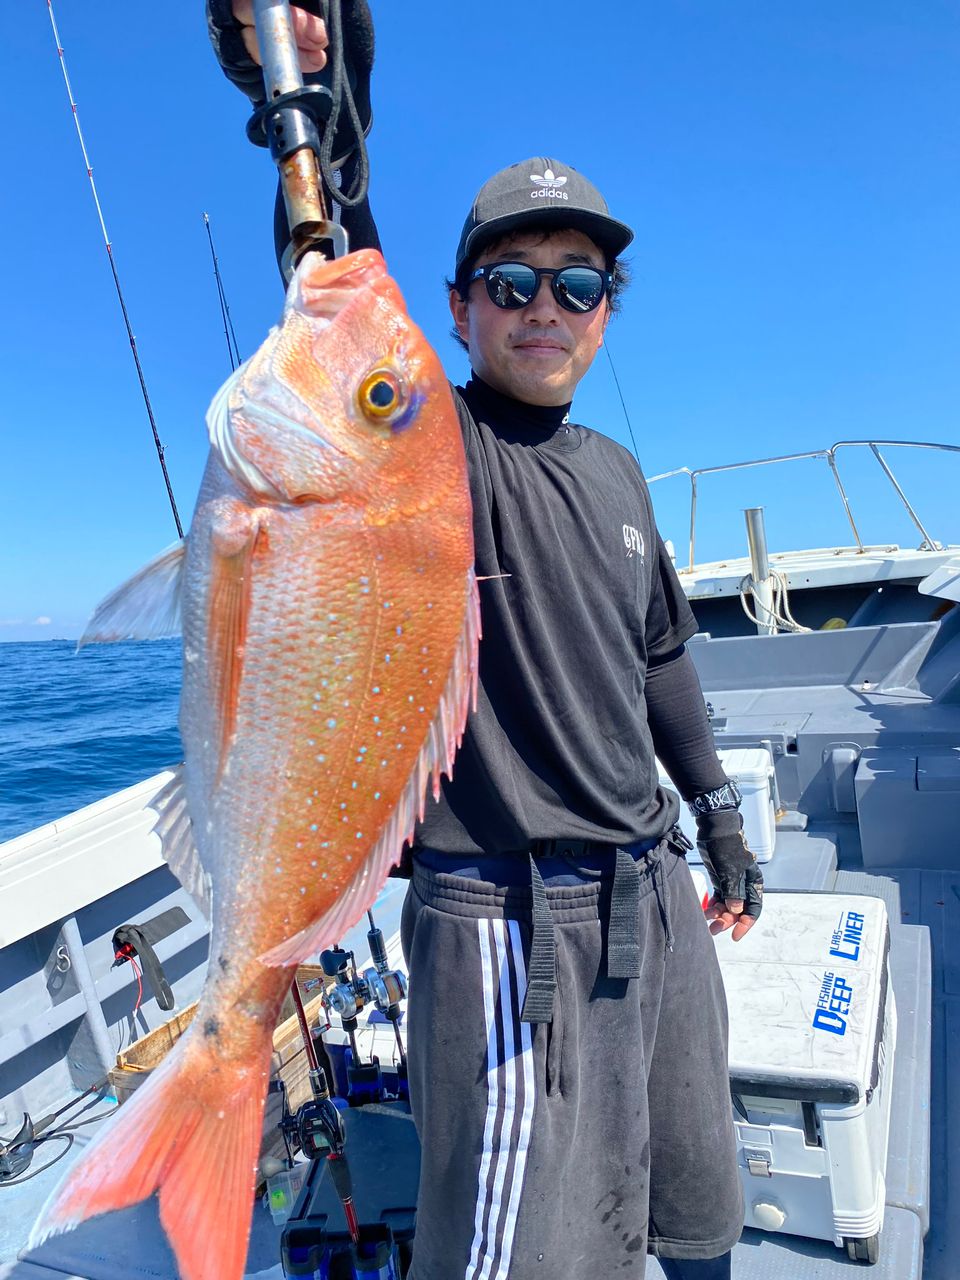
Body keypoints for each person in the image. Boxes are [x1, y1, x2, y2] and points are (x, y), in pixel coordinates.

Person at [208, 6, 764, 1278]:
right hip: (510, 925)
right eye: (511, 284)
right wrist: (314, 78)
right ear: (458, 310)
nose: (545, 309)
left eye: (579, 284)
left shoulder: (617, 472)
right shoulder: (427, 453)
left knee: (689, 1193)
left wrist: (718, 818)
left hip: (653, 889)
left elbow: (662, 658)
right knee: (521, 1249)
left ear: (608, 311)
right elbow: (340, 270)